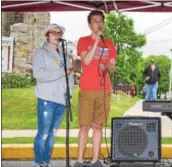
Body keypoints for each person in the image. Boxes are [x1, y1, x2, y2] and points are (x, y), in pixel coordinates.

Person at [74, 10, 117, 167]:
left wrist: (109, 65)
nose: (99, 23)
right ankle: (79, 160)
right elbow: (85, 61)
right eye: (95, 20)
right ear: (90, 25)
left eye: (101, 20)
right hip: (87, 89)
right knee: (84, 125)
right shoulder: (83, 41)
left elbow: (113, 68)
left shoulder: (110, 43)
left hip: (104, 89)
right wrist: (96, 43)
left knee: (98, 125)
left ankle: (95, 160)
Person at [33, 23, 74, 167]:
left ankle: (46, 162)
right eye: (53, 32)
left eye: (59, 33)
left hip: (61, 100)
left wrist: (69, 95)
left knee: (52, 134)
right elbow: (38, 74)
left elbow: (69, 77)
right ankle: (38, 163)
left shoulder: (65, 54)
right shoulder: (41, 53)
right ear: (47, 35)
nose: (57, 35)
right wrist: (61, 72)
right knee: (43, 134)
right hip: (47, 98)